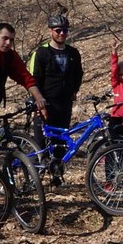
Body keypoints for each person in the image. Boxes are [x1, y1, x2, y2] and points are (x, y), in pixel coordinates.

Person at [28, 14, 84, 182]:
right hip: (45, 103)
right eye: (58, 30)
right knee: (41, 143)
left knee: (60, 142)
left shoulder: (73, 53)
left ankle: (57, 174)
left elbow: (78, 74)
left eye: (65, 31)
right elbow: (34, 79)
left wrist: (74, 90)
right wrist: (39, 103)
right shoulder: (42, 53)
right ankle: (33, 177)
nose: (62, 34)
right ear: (50, 31)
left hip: (64, 104)